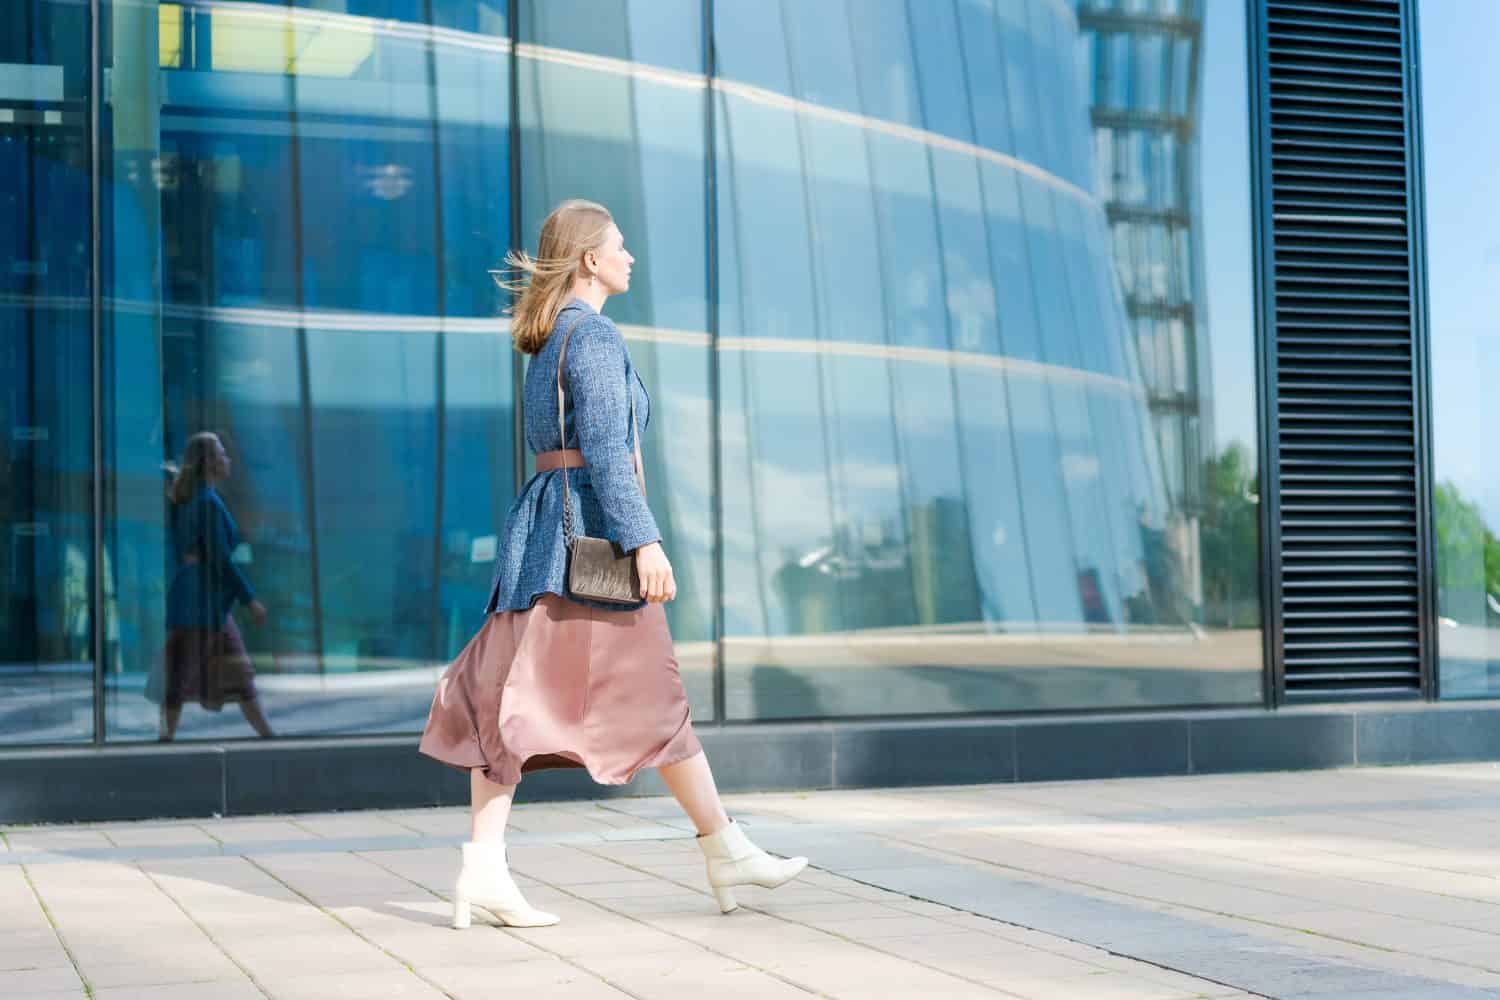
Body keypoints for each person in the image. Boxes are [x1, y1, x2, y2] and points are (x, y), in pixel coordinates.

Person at [420, 199, 805, 930]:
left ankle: (492, 866)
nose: (631, 258)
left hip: (549, 540)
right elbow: (604, 451)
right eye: (619, 247)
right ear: (590, 259)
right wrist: (645, 540)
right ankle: (722, 848)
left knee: (516, 698)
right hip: (590, 547)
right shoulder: (591, 336)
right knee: (610, 696)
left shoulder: (549, 341)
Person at [160, 432, 273, 740]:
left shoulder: (188, 500)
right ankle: (268, 737)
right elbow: (221, 560)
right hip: (205, 602)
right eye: (222, 454)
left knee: (179, 671)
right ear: (209, 462)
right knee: (237, 672)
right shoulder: (207, 502)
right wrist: (250, 599)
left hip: (187, 599)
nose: (228, 459)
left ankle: (164, 738)